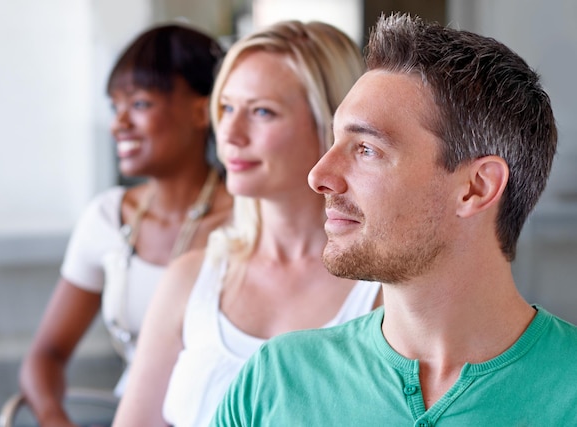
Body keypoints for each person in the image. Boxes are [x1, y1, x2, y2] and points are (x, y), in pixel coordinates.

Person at [212, 13, 577, 426]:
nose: (319, 176)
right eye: (336, 142)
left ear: (476, 187)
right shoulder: (275, 381)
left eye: (366, 149)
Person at [112, 20, 382, 427]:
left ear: (332, 124)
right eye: (226, 108)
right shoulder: (190, 278)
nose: (231, 134)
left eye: (261, 111)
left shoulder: (383, 295)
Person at [18, 23, 233, 427]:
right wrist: (52, 417)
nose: (118, 124)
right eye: (115, 106)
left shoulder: (251, 221)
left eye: (139, 104)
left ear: (201, 110)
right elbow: (45, 355)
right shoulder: (107, 217)